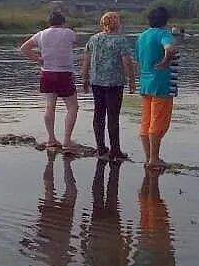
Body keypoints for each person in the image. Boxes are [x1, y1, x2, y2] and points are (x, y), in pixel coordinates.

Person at [20, 9, 79, 154]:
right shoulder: (69, 33)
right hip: (64, 73)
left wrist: (38, 59)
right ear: (63, 22)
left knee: (50, 106)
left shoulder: (41, 34)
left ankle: (51, 139)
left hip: (47, 73)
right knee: (72, 107)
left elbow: (24, 48)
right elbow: (74, 43)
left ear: (49, 22)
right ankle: (66, 141)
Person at [81, 11, 136, 161]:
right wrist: (132, 80)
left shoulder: (93, 39)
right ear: (117, 24)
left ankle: (100, 148)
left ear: (102, 24)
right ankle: (115, 150)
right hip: (114, 83)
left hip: (96, 82)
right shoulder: (120, 40)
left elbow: (86, 60)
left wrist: (84, 78)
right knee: (113, 116)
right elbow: (127, 62)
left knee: (98, 114)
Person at [135, 6, 178, 170]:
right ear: (165, 20)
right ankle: (154, 159)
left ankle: (148, 157)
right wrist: (165, 62)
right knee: (158, 122)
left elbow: (138, 59)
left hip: (145, 83)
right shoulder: (164, 34)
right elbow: (170, 48)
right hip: (162, 83)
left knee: (146, 122)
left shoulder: (142, 36)